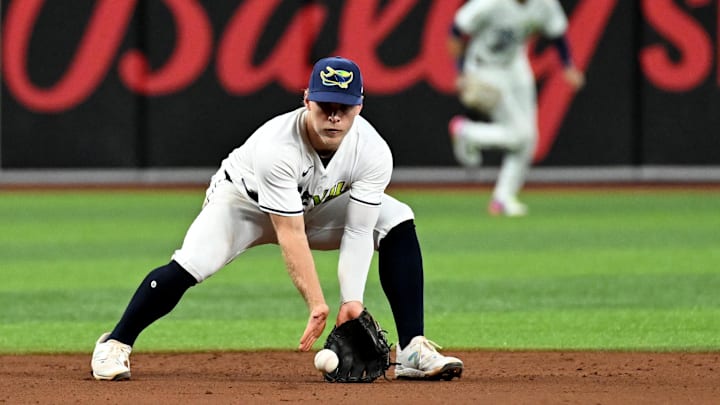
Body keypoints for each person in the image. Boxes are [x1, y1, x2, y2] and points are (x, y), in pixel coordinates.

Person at [91, 56, 463, 382]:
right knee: (192, 264)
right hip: (243, 205)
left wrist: (352, 300)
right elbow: (290, 233)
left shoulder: (373, 151)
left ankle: (413, 349)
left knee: (396, 218)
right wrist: (317, 303)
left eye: (344, 107)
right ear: (307, 100)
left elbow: (359, 228)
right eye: (325, 104)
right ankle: (115, 342)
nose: (334, 115)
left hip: (315, 206)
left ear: (360, 106)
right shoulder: (278, 148)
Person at [447, 0, 585, 216]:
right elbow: (457, 28)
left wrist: (567, 65)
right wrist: (460, 71)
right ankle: (467, 133)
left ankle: (502, 197)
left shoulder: (544, 3)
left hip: (515, 65)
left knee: (529, 138)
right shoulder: (489, 4)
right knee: (521, 135)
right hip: (485, 68)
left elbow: (557, 33)